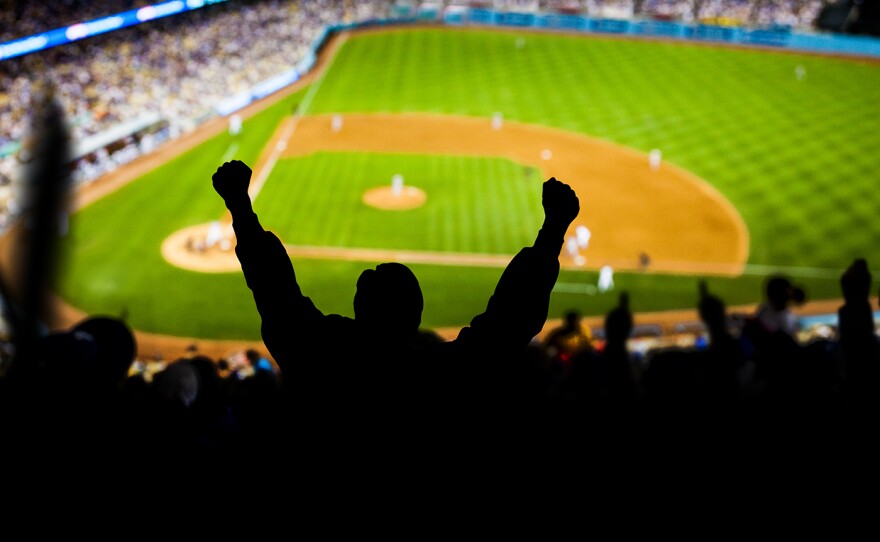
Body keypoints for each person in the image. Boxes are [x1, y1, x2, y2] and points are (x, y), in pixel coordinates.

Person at [211, 159, 579, 433]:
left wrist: (240, 205)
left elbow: (276, 293)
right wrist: (552, 231)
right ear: (417, 318)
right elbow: (506, 328)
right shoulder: (443, 376)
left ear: (357, 309)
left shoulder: (319, 357)